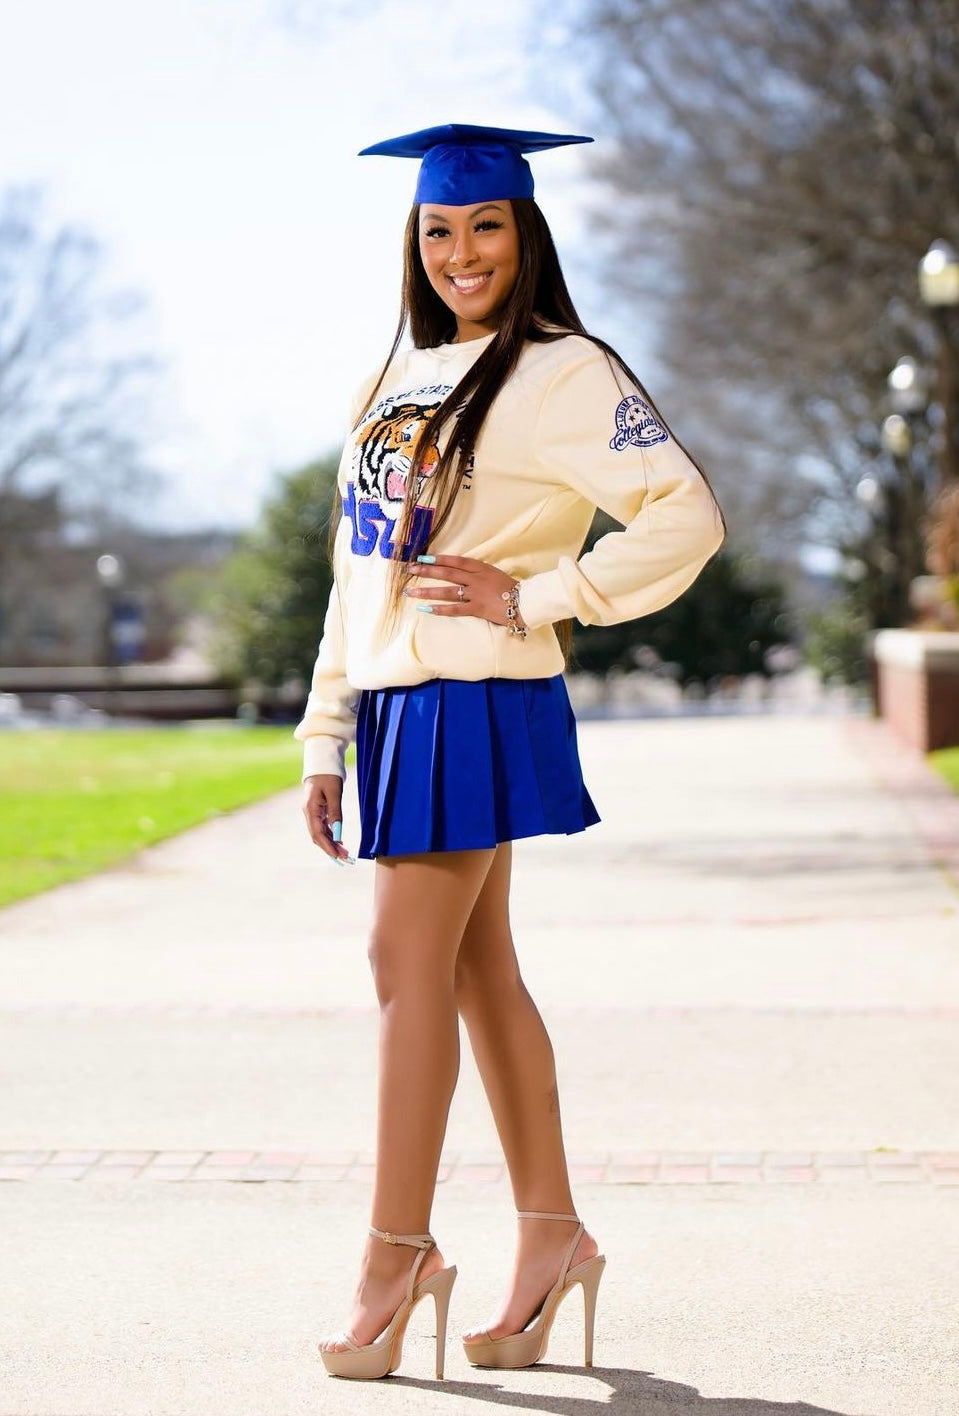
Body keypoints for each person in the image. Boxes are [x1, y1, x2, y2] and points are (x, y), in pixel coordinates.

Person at [294, 123, 726, 1382]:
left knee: (400, 958)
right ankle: (550, 1240)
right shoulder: (397, 375)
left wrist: (542, 595)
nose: (461, 252)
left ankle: (395, 1255)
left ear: (525, 235)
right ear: (413, 242)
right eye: (438, 230)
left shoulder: (561, 370)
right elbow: (354, 573)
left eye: (485, 227)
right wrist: (327, 731)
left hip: (472, 697)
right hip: (396, 705)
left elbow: (684, 516)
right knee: (476, 971)